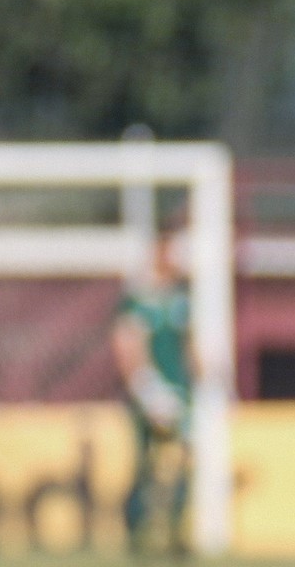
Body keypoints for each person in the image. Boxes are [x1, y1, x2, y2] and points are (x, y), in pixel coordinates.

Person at [113, 229, 192, 556]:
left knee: (183, 460)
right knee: (144, 463)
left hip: (179, 393)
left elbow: (189, 346)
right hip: (148, 395)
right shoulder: (138, 299)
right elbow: (127, 345)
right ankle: (135, 532)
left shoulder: (181, 298)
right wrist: (146, 388)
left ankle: (176, 532)